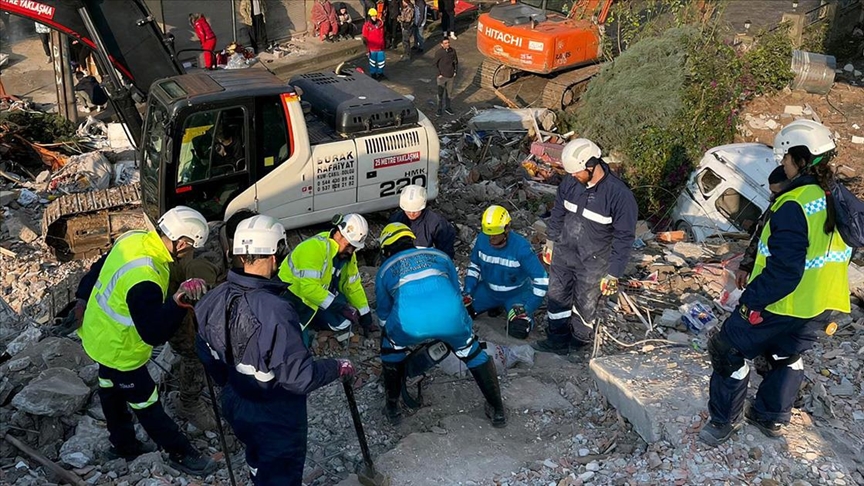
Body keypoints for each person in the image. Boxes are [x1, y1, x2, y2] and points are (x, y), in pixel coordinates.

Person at [699, 120, 852, 447]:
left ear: (801, 158)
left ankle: (723, 423)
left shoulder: (793, 204)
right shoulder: (836, 196)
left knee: (728, 349)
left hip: (783, 302)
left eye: (785, 159)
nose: (782, 164)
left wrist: (750, 300)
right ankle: (770, 417)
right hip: (822, 304)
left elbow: (785, 271)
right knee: (785, 354)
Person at [196, 215, 354, 485]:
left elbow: (205, 352)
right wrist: (337, 366)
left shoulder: (213, 297)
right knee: (281, 472)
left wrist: (233, 384)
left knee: (257, 458)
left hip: (236, 402)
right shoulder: (276, 311)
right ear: (274, 254)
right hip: (275, 415)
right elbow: (299, 378)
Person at [74, 206, 216, 475]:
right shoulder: (146, 277)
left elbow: (99, 267)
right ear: (181, 242)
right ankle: (181, 453)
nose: (189, 253)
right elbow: (153, 333)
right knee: (145, 402)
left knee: (109, 388)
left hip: (97, 335)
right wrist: (177, 303)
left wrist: (81, 297)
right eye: (190, 248)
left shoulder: (133, 238)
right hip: (121, 349)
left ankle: (124, 445)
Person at [376, 223, 506, 427]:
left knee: (390, 348)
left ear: (386, 249)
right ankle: (497, 410)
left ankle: (393, 408)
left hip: (409, 325)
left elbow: (384, 314)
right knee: (472, 352)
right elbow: (455, 291)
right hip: (451, 319)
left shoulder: (385, 270)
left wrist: (392, 334)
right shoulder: (440, 256)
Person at [533, 139, 638, 355]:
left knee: (586, 304)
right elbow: (558, 213)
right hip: (564, 253)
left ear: (591, 165)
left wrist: (613, 273)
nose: (572, 176)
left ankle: (578, 343)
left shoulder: (619, 196)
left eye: (577, 172)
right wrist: (551, 241)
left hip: (594, 262)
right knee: (556, 295)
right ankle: (556, 339)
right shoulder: (571, 184)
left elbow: (624, 237)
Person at [164, 208, 258, 431]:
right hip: (181, 305)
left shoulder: (223, 232)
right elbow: (203, 310)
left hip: (204, 294)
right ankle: (189, 402)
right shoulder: (205, 262)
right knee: (194, 353)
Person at [278, 213, 378, 335]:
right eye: (349, 245)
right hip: (291, 298)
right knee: (293, 336)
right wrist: (339, 306)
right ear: (338, 234)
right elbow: (309, 289)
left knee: (343, 322)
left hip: (316, 298)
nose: (351, 251)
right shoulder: (314, 248)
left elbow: (352, 285)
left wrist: (365, 315)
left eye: (354, 247)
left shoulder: (347, 255)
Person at [464, 205, 548, 340]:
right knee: (462, 313)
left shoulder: (521, 247)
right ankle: (494, 306)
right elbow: (474, 266)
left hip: (516, 295)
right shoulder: (482, 240)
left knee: (519, 329)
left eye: (495, 234)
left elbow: (542, 280)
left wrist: (528, 307)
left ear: (507, 228)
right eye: (488, 234)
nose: (491, 239)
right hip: (487, 291)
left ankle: (508, 311)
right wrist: (468, 290)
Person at [735, 166, 791, 290]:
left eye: (775, 193)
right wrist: (745, 267)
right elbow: (759, 236)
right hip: (764, 280)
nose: (771, 197)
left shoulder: (795, 214)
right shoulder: (774, 207)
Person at [388, 184, 456, 259]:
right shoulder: (396, 221)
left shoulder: (436, 223)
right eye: (408, 211)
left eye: (415, 211)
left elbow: (446, 251)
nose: (411, 214)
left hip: (428, 264)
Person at [433, 37, 457, 116]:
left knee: (449, 93)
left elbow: (456, 62)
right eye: (446, 43)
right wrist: (438, 74)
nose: (448, 44)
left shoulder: (453, 51)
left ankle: (448, 107)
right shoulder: (439, 53)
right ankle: (439, 109)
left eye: (448, 42)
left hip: (450, 76)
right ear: (442, 44)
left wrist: (455, 71)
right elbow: (435, 64)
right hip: (442, 76)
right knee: (440, 94)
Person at [362, 9, 387, 80]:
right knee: (372, 62)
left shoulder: (380, 24)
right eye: (373, 16)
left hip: (380, 47)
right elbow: (365, 38)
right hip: (372, 48)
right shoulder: (366, 26)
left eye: (375, 16)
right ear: (370, 16)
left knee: (381, 61)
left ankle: (380, 73)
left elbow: (383, 35)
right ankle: (373, 74)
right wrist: (367, 49)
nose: (374, 17)